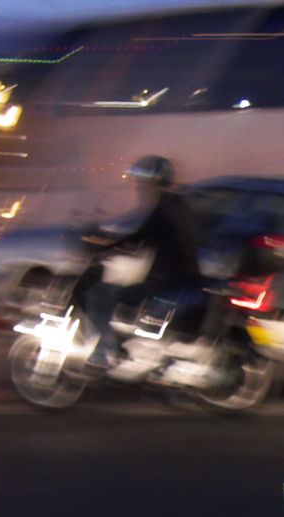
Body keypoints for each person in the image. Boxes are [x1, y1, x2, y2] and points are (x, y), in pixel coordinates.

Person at [74, 154, 205, 368]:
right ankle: (118, 349)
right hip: (181, 278)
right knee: (119, 296)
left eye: (140, 183)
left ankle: (105, 351)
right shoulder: (175, 204)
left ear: (152, 183)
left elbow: (139, 238)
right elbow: (141, 236)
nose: (137, 188)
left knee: (103, 294)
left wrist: (104, 250)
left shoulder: (164, 211)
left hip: (171, 282)